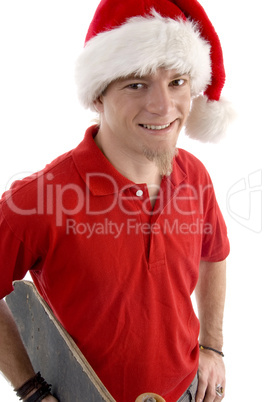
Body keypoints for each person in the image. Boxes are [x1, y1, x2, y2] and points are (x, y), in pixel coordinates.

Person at [0, 0, 235, 401]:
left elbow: (214, 254)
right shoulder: (40, 198)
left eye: (177, 82)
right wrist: (33, 390)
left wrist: (212, 346)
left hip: (187, 392)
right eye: (136, 84)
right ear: (98, 97)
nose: (163, 107)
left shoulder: (194, 176)